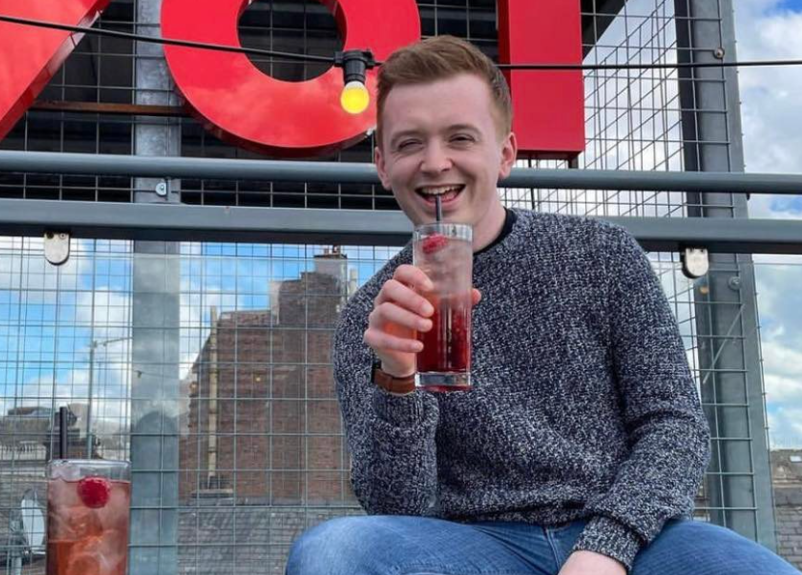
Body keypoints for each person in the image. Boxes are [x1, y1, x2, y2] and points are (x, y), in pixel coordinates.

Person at [285, 36, 799, 575]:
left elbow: (674, 426)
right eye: (410, 143)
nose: (435, 162)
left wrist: (608, 545)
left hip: (633, 535)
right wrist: (397, 379)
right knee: (331, 553)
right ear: (383, 165)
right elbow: (398, 509)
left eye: (460, 137)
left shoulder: (602, 255)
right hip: (473, 545)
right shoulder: (372, 317)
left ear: (505, 153)